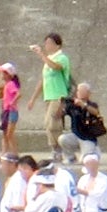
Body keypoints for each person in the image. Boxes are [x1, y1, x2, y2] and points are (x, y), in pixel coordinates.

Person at [26, 32, 74, 162]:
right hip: (48, 96)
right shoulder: (47, 61)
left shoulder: (61, 58)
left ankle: (63, 149)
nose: (47, 46)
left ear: (57, 45)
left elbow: (56, 67)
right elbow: (43, 81)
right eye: (46, 43)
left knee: (54, 124)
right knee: (48, 124)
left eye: (50, 43)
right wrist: (33, 98)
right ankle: (55, 149)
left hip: (59, 96)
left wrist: (41, 54)